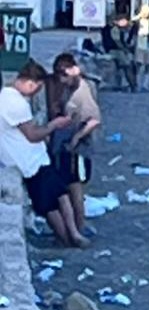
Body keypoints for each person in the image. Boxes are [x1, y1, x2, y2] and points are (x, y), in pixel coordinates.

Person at [0, 61, 88, 247]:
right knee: (52, 203)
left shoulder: (11, 99)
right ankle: (69, 236)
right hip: (29, 162)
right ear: (30, 83)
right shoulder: (13, 102)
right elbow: (32, 134)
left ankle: (71, 235)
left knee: (57, 197)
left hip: (35, 159)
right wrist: (53, 126)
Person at [47, 53, 101, 236]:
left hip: (75, 149)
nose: (61, 79)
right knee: (71, 187)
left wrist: (76, 138)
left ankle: (79, 227)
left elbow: (94, 120)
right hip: (67, 146)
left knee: (75, 188)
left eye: (63, 74)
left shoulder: (81, 92)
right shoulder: (73, 88)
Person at [106, 14, 137, 92]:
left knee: (119, 69)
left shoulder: (116, 29)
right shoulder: (115, 29)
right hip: (116, 51)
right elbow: (117, 41)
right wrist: (124, 49)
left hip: (114, 50)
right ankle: (132, 85)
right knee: (127, 67)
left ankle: (120, 85)